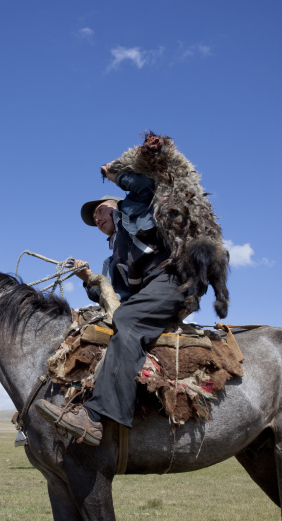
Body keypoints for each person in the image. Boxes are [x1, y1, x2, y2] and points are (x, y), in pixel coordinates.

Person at [35, 163, 187, 446]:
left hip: (170, 279)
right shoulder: (112, 259)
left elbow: (147, 187)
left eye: (99, 211)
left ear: (115, 206)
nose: (96, 219)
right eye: (93, 218)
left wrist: (116, 176)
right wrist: (88, 278)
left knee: (127, 322)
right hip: (144, 296)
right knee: (87, 324)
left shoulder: (136, 209)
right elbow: (111, 296)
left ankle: (95, 418)